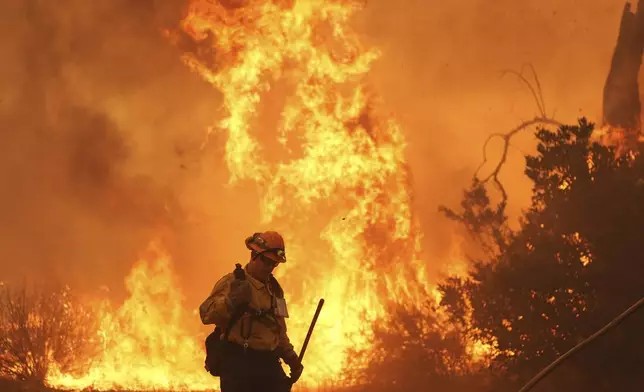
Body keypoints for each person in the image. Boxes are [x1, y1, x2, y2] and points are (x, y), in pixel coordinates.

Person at [199, 231, 304, 392]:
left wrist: (291, 358)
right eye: (266, 261)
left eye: (274, 264)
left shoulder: (275, 290)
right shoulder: (231, 282)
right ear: (254, 254)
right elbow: (206, 314)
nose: (270, 267)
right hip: (239, 365)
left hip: (268, 363)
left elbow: (279, 331)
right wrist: (229, 302)